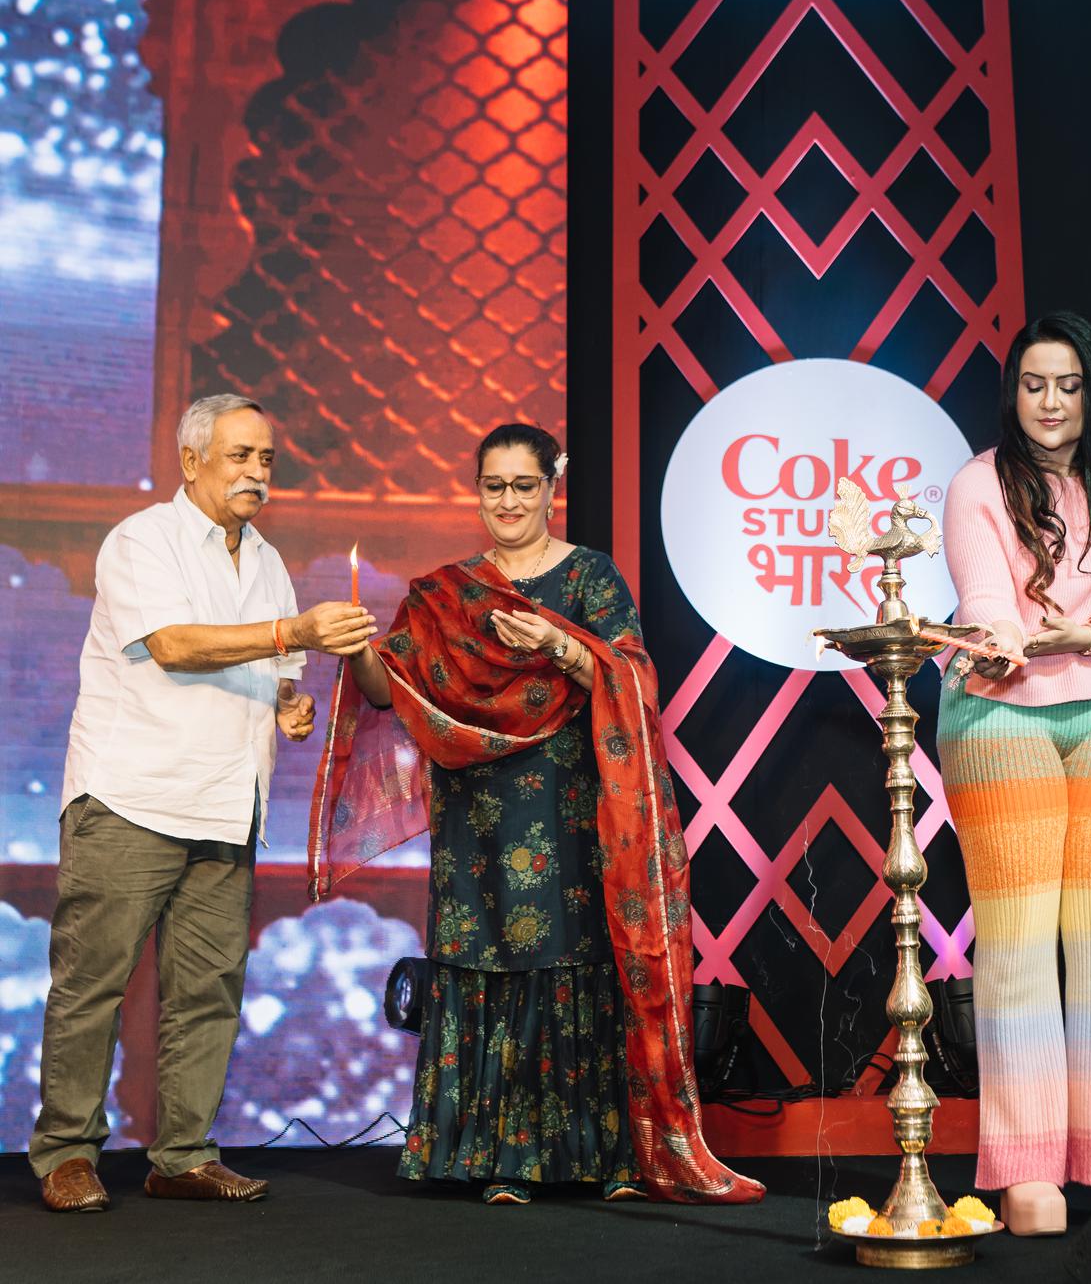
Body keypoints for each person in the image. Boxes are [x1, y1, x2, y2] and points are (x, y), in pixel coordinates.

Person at [311, 423, 764, 1206]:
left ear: (552, 488)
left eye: (525, 485)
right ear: (478, 490)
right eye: (495, 486)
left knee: (580, 958)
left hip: (572, 812)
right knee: (492, 961)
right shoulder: (444, 593)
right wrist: (356, 649)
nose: (509, 501)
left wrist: (560, 646)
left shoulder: (589, 578)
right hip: (479, 823)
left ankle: (610, 1159)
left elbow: (631, 678)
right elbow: (392, 691)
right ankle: (499, 1161)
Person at [32, 394, 376, 1213]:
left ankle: (182, 1153)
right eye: (240, 456)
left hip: (227, 805)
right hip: (131, 796)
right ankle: (66, 1153)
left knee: (207, 990)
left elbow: (278, 676)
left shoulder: (267, 559)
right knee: (93, 984)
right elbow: (177, 645)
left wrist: (289, 707)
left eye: (267, 460)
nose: (258, 472)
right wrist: (292, 634)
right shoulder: (141, 539)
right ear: (191, 461)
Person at [937, 313, 1091, 1235]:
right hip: (1002, 711)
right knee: (1022, 944)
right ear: (1013, 392)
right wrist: (1004, 639)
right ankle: (1028, 1167)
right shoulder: (976, 483)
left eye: (1067, 385)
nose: (1049, 401)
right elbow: (986, 596)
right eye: (1034, 384)